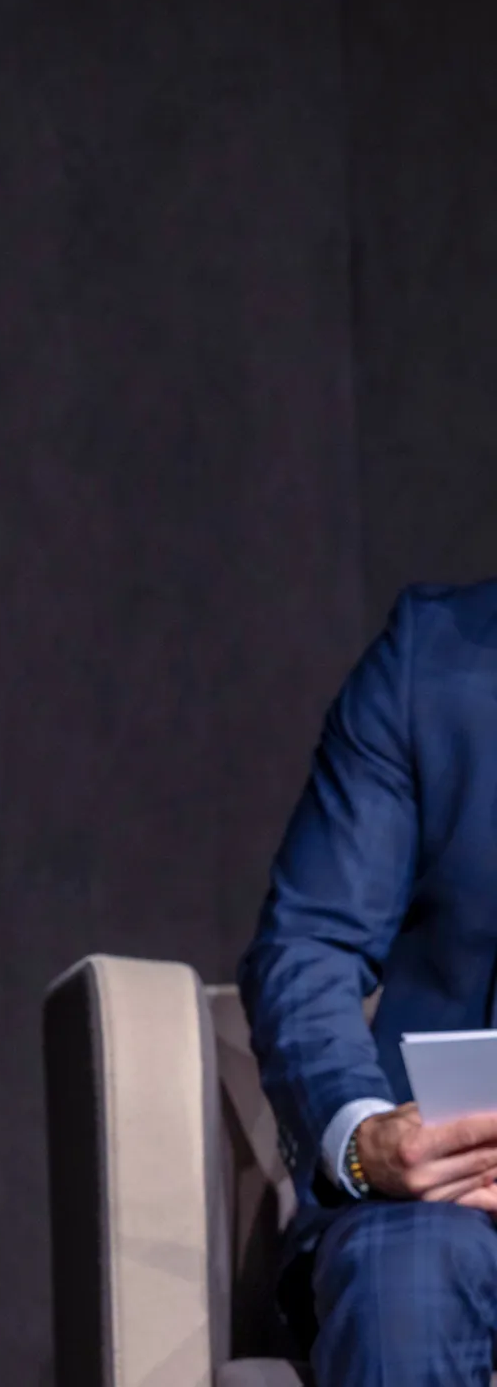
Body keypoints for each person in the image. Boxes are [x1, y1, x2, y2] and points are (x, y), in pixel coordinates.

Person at [241, 582, 497, 1386]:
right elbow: (310, 945)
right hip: (452, 1204)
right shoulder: (432, 659)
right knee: (406, 1285)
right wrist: (363, 1138)